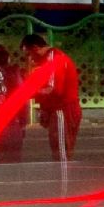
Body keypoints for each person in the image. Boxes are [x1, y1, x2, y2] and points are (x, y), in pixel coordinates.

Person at [20, 34, 82, 162]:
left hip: (62, 110)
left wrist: (27, 93)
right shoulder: (47, 61)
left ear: (36, 48)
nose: (30, 59)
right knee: (59, 149)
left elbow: (53, 89)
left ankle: (63, 180)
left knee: (61, 151)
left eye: (29, 54)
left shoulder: (53, 59)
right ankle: (62, 178)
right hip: (59, 109)